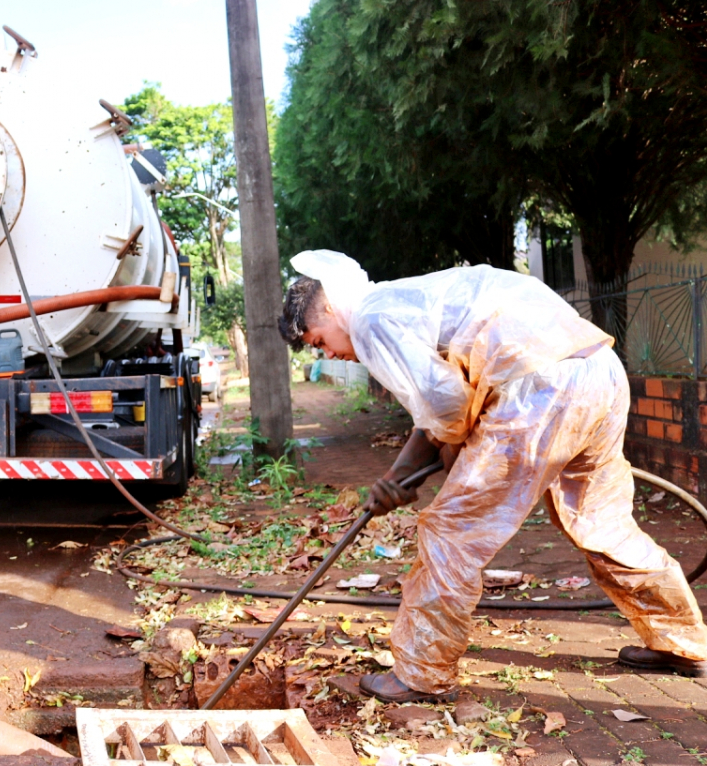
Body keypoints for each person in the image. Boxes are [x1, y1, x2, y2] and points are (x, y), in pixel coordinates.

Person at [279, 251, 707, 702]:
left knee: (451, 532)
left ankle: (420, 674)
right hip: (598, 372)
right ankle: (683, 642)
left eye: (319, 341)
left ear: (331, 309)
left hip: (540, 389)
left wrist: (424, 464)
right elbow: (441, 408)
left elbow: (445, 403)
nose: (329, 353)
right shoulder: (406, 300)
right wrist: (402, 473)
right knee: (601, 521)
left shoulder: (370, 319)